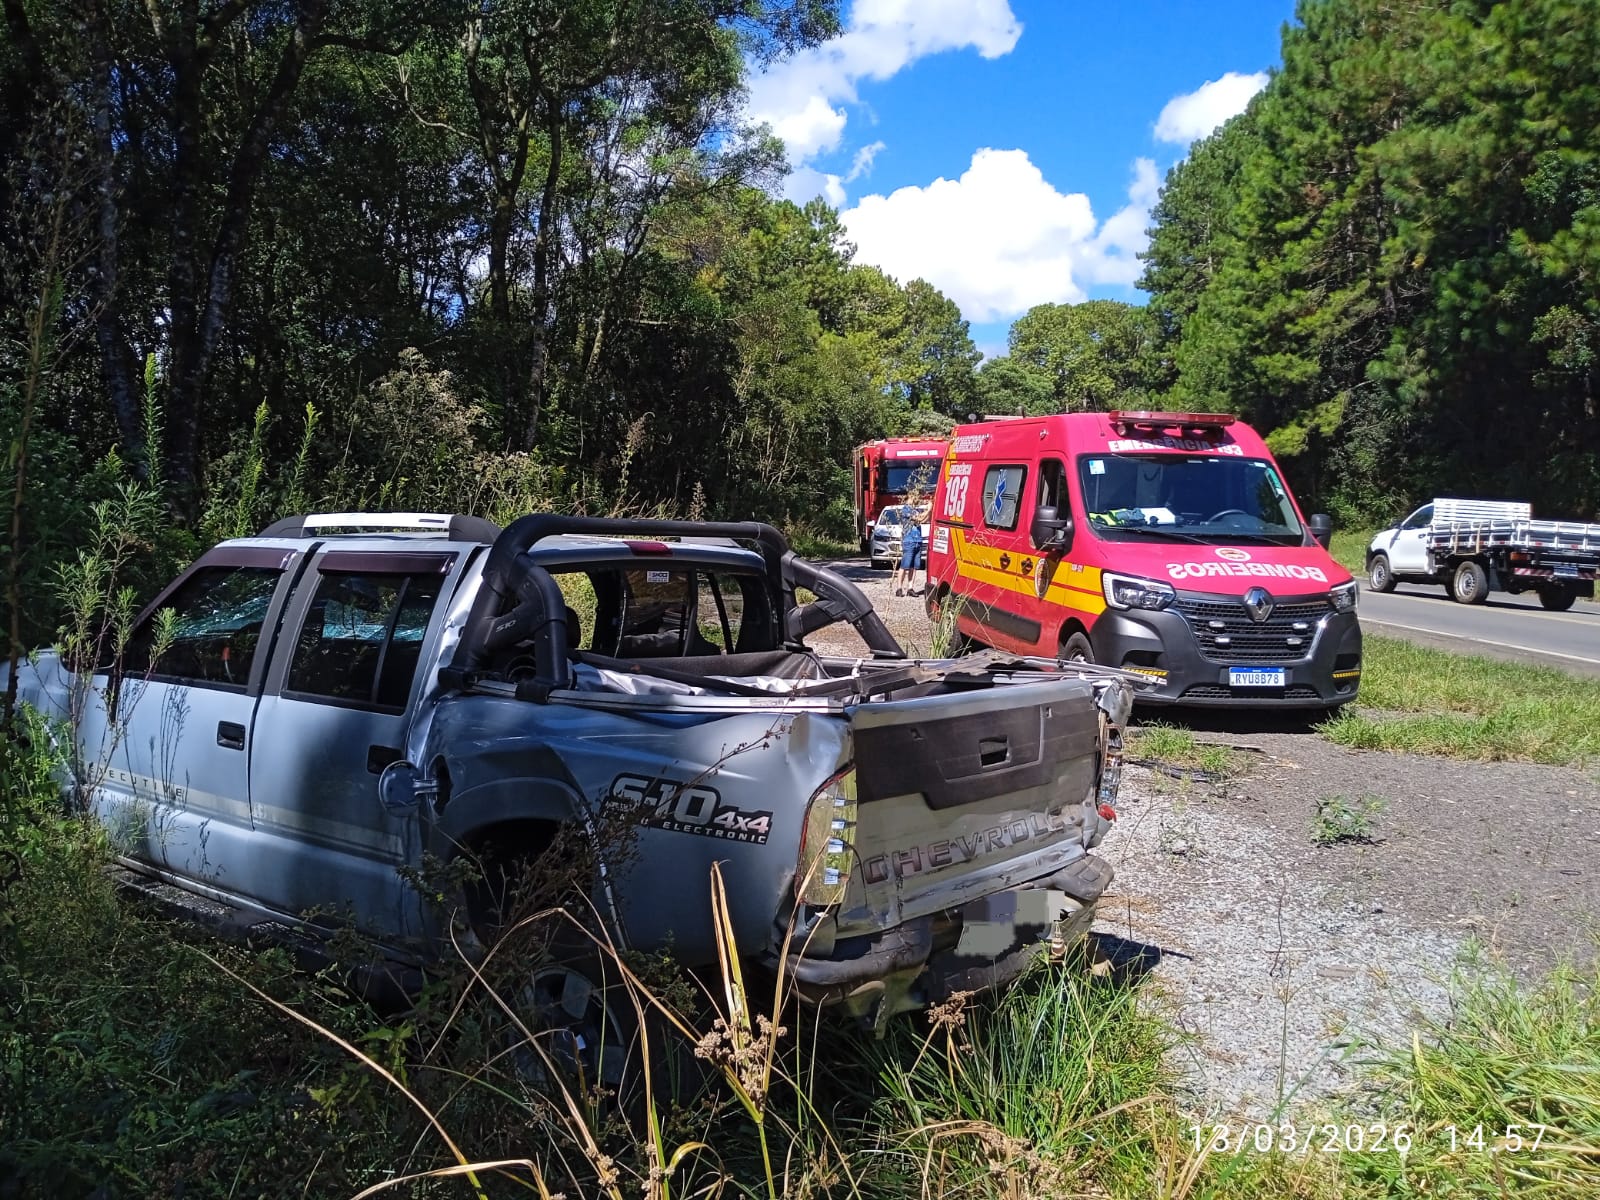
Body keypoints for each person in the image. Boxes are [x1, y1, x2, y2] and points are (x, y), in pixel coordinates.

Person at [894, 504, 929, 596]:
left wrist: (930, 512)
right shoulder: (906, 510)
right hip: (909, 541)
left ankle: (910, 588)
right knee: (905, 565)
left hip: (918, 541)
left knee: (914, 566)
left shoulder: (916, 510)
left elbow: (923, 520)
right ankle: (899, 588)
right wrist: (928, 510)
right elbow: (918, 519)